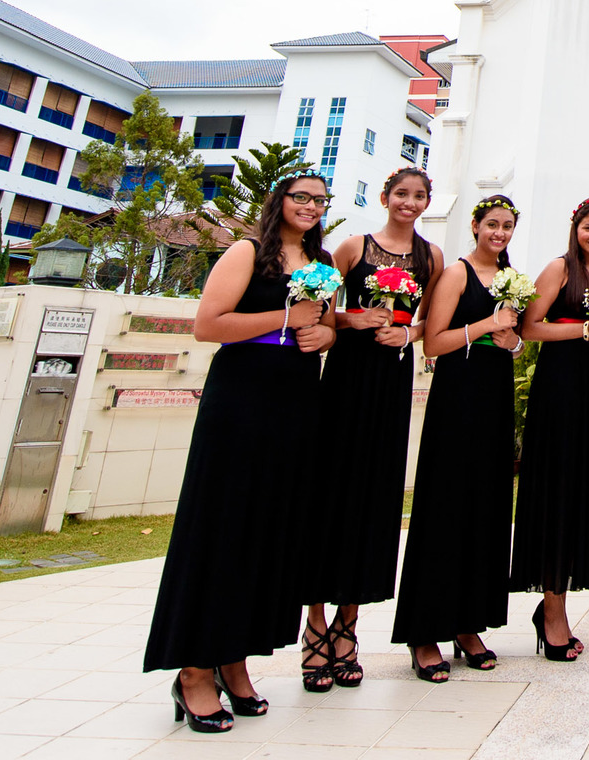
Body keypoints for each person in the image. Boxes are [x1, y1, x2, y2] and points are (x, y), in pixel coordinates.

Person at [144, 177, 338, 732]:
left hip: (295, 401)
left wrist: (324, 336)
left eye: (320, 201)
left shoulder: (321, 263)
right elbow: (210, 325)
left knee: (267, 530)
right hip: (242, 399)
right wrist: (285, 320)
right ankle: (194, 671)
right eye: (301, 197)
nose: (310, 207)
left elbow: (321, 324)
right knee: (223, 527)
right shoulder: (247, 251)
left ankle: (235, 659)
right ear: (279, 202)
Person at [304, 165, 439, 690]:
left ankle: (348, 627)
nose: (409, 202)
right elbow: (317, 309)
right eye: (401, 194)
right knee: (332, 496)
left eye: (418, 195)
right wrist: (350, 320)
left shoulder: (430, 257)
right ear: (385, 196)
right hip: (346, 378)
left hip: (391, 379)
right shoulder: (351, 248)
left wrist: (407, 337)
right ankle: (314, 625)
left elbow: (431, 320)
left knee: (373, 499)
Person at [391, 195, 524, 681]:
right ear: (475, 225)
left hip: (494, 398)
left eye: (507, 226)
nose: (500, 233)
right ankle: (424, 632)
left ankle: (469, 624)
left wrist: (511, 339)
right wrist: (487, 325)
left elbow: (512, 339)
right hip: (456, 401)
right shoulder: (456, 273)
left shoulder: (512, 278)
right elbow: (434, 342)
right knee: (445, 506)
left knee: (485, 509)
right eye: (493, 224)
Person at [510, 197, 589, 660]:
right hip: (559, 394)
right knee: (557, 491)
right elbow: (529, 327)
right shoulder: (559, 269)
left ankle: (557, 604)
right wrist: (582, 333)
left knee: (581, 490)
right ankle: (552, 612)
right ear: (575, 228)